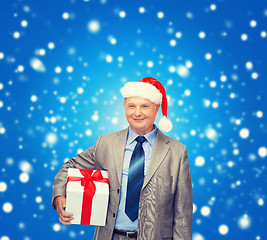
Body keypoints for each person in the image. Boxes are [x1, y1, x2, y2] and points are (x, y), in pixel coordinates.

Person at [52, 77, 193, 240]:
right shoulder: (106, 143)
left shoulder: (176, 151)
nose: (137, 112)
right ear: (124, 108)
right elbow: (70, 166)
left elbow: (182, 214)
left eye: (145, 106)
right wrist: (59, 195)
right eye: (131, 106)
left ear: (156, 108)